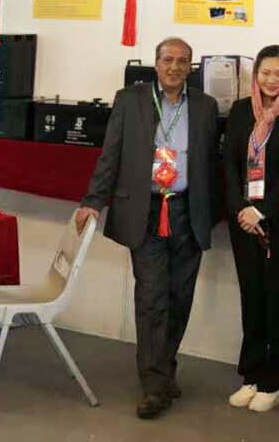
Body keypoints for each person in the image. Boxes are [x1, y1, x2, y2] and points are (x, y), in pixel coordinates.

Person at [76, 37, 219, 419]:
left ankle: (164, 368)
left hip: (187, 212)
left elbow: (211, 164)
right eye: (168, 60)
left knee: (180, 298)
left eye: (182, 61)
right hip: (147, 212)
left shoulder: (205, 106)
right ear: (156, 64)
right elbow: (111, 154)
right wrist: (93, 200)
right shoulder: (130, 100)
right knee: (153, 297)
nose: (174, 67)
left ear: (191, 67)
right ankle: (154, 386)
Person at [222, 44, 279, 413]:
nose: (271, 80)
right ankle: (251, 375)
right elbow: (229, 165)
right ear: (255, 74)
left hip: (278, 224)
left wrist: (263, 211)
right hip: (243, 223)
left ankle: (273, 382)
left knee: (276, 300)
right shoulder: (240, 110)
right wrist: (241, 210)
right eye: (265, 73)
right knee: (251, 298)